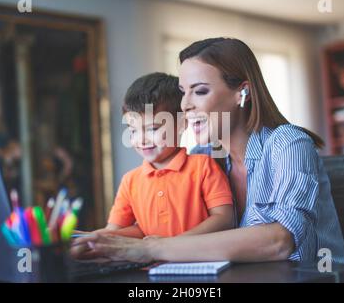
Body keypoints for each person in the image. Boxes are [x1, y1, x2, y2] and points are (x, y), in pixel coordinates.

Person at [71, 38, 344, 264]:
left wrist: (151, 249)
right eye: (183, 92)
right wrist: (101, 242)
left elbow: (280, 242)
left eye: (200, 91)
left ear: (242, 93)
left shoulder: (289, 144)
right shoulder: (203, 155)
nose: (185, 105)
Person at [79, 72, 234, 239]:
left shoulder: (203, 166)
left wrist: (172, 244)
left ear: (182, 124)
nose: (141, 139)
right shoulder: (130, 182)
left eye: (153, 128)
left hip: (199, 263)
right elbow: (116, 231)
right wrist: (89, 238)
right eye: (133, 131)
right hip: (151, 265)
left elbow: (224, 219)